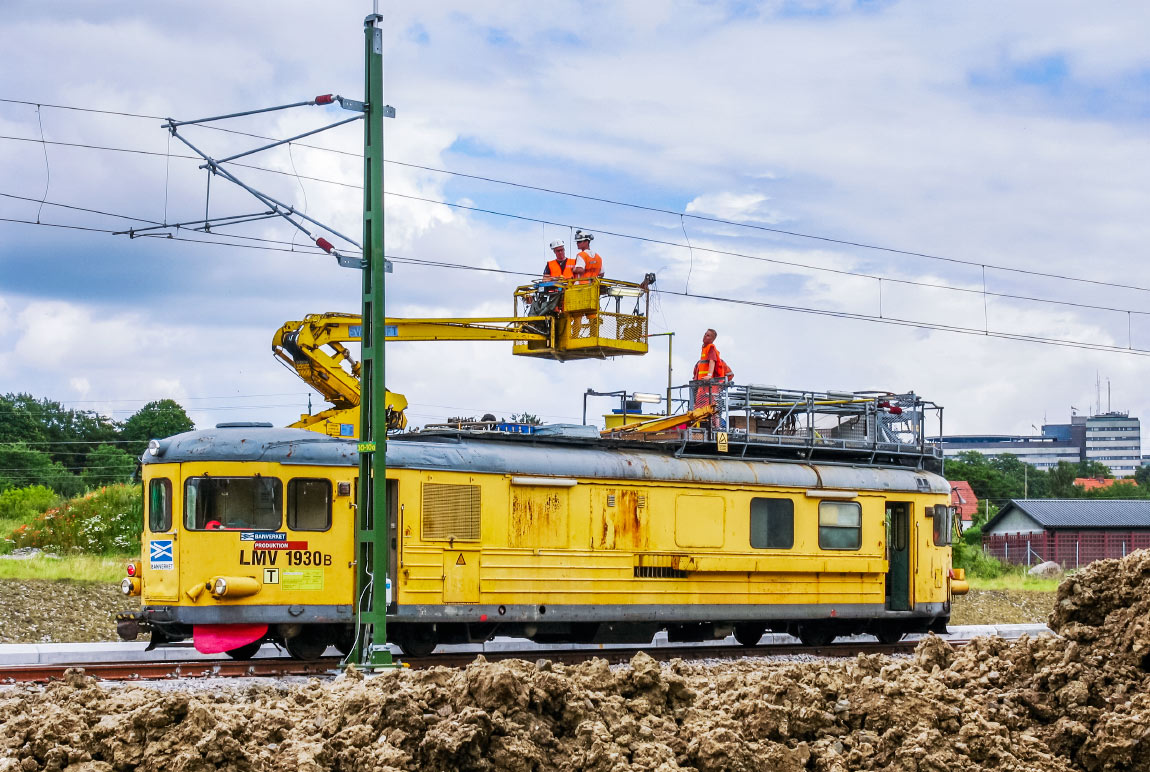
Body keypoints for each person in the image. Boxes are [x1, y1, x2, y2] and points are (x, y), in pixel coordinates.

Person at [692, 328, 733, 426]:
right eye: (705, 334)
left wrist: (709, 376)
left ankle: (716, 427)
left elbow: (712, 361)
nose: (705, 336)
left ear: (712, 339)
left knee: (709, 407)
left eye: (708, 335)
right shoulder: (704, 350)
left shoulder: (711, 347)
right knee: (706, 407)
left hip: (709, 386)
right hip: (704, 385)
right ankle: (712, 426)